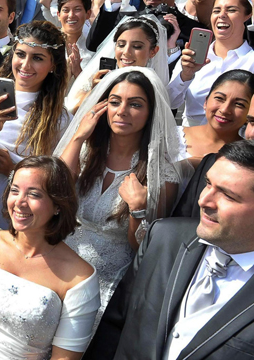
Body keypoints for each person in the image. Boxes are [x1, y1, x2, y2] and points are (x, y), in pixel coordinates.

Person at [86, 140, 254, 360]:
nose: (204, 200)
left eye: (227, 195)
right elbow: (115, 325)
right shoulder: (164, 238)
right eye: (207, 183)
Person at [56, 67, 188, 324]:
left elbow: (144, 247)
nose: (122, 111)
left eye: (135, 104)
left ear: (151, 112)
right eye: (115, 102)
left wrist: (138, 208)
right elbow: (56, 190)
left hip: (108, 285)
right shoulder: (88, 151)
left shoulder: (162, 173)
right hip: (61, 266)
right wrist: (78, 138)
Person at [0, 156, 100, 359]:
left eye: (34, 194)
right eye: (14, 190)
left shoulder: (81, 278)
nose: (19, 202)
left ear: (58, 205)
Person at [0, 21, 71, 228]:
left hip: (15, 212)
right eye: (20, 55)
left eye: (37, 58)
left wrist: (14, 170)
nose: (25, 65)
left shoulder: (59, 118)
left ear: (53, 65)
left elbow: (56, 179)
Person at [169, 0, 254, 126]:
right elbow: (171, 102)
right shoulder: (192, 56)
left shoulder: (251, 61)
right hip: (192, 139)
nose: (222, 15)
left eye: (231, 10)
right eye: (216, 10)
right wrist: (185, 75)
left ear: (247, 15)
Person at [68, 15, 173, 113]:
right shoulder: (97, 78)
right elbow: (71, 115)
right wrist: (95, 93)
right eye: (121, 45)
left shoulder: (154, 86)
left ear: (153, 51)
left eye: (137, 46)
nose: (126, 52)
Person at [177, 69, 254, 168]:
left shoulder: (249, 154)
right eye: (219, 98)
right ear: (206, 101)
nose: (225, 110)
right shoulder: (170, 136)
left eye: (239, 104)